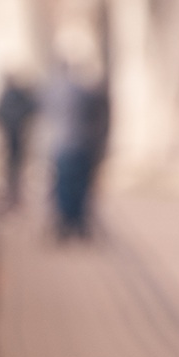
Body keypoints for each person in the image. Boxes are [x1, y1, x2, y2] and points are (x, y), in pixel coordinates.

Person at [44, 61, 110, 238]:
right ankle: (76, 222)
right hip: (80, 145)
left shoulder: (52, 92)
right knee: (78, 186)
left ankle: (66, 223)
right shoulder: (82, 92)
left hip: (62, 146)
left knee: (64, 185)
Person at [0, 75, 38, 212]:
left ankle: (13, 196)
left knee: (11, 168)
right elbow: (30, 109)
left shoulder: (7, 97)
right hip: (17, 137)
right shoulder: (19, 97)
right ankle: (15, 196)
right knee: (15, 167)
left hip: (10, 138)